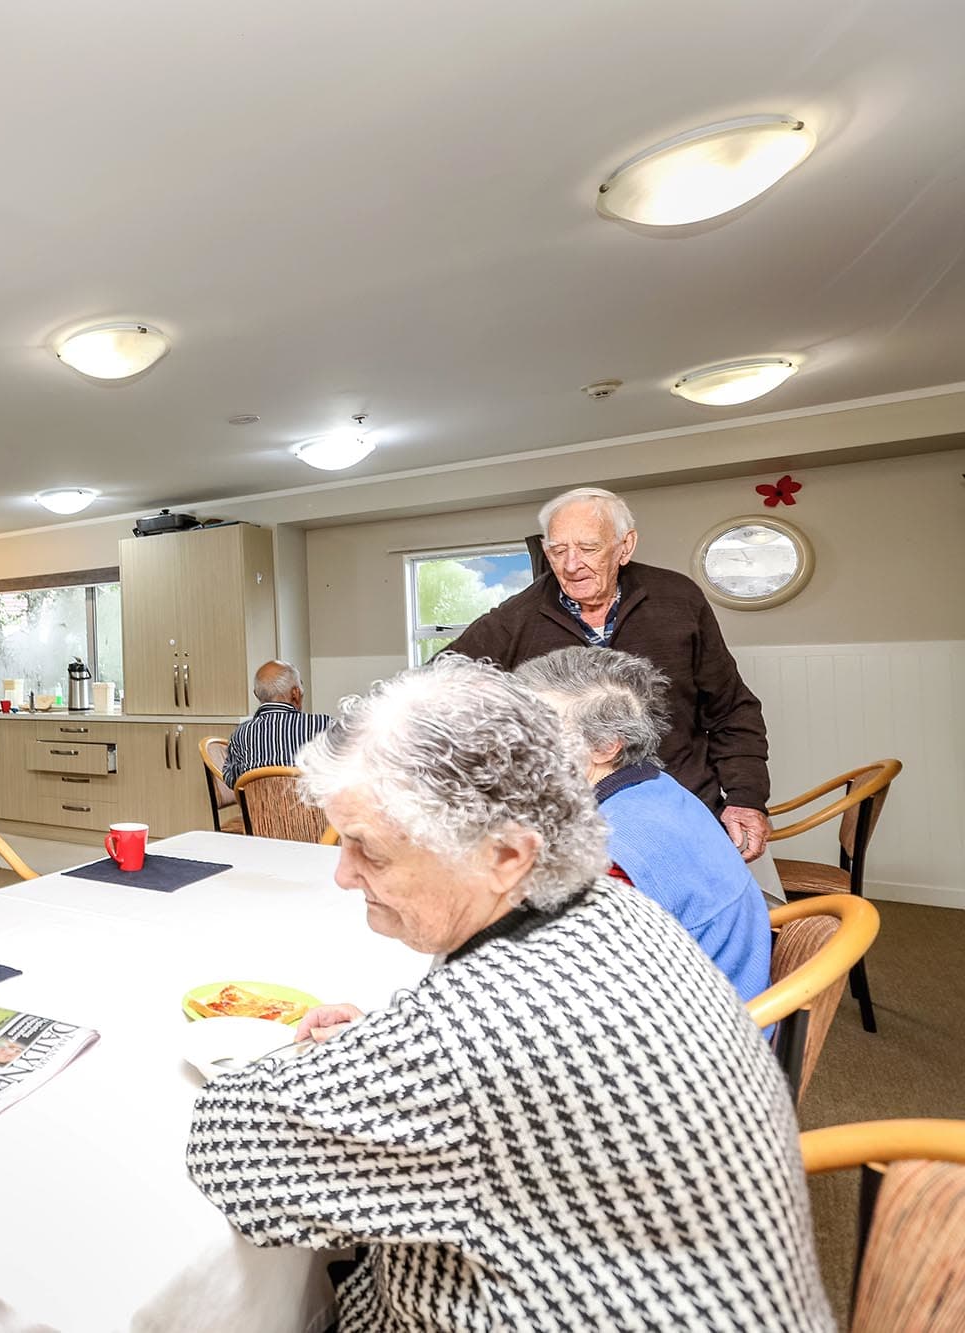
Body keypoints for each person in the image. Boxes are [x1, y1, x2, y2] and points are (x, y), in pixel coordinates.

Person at [186, 657, 829, 1331]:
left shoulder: (484, 1024)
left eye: (368, 848)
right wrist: (385, 1056)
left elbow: (230, 1152)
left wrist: (377, 1063)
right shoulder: (612, 907)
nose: (343, 874)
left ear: (506, 855)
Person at [443, 486, 772, 860]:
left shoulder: (679, 599)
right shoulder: (516, 616)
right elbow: (437, 687)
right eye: (557, 550)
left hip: (680, 803)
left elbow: (731, 710)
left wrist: (746, 798)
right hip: (570, 825)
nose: (571, 565)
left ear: (624, 546)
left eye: (587, 548)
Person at [515, 647, 772, 998]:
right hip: (725, 988)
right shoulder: (656, 787)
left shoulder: (607, 858)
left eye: (539, 731)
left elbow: (567, 983)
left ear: (606, 746)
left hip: (694, 1018)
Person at [221, 659, 335, 788]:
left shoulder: (241, 733)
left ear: (256, 695)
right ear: (295, 693)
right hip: (310, 801)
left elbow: (231, 779)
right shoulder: (323, 725)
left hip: (258, 801)